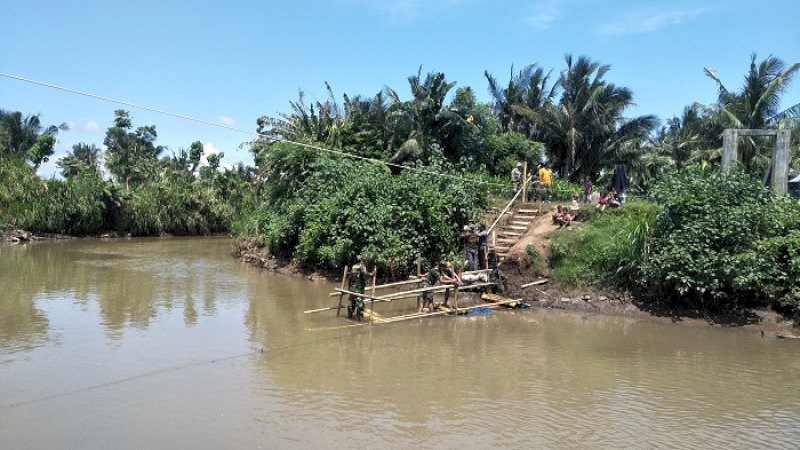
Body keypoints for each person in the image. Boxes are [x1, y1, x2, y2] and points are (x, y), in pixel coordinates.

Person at [347, 255, 368, 321]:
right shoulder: (362, 266)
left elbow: (350, 279)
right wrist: (372, 274)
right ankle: (359, 320)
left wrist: (349, 287)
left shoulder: (353, 266)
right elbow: (365, 274)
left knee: (351, 303)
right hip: (358, 289)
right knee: (360, 305)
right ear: (361, 260)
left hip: (352, 288)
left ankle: (349, 317)